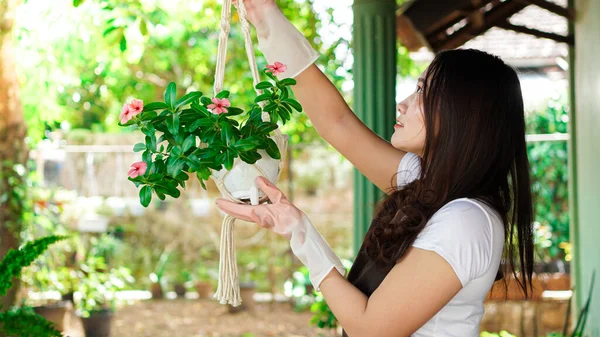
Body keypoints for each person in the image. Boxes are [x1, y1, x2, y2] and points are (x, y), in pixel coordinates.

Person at [216, 1, 535, 336]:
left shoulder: (465, 220)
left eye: (422, 92)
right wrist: (266, 19)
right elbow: (336, 122)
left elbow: (372, 330)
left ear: (462, 116)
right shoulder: (427, 181)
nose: (404, 103)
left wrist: (300, 233)